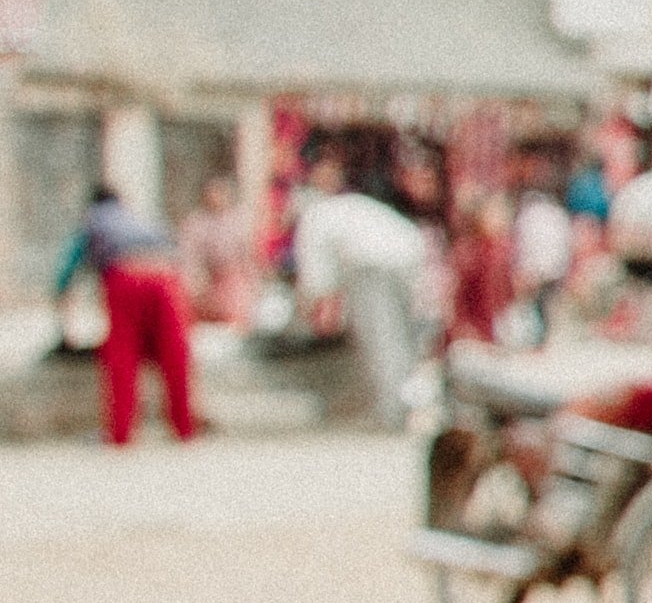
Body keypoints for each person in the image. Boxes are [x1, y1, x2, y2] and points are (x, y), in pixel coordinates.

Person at [293, 156, 430, 432]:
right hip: (408, 257)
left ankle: (391, 412)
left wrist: (310, 309)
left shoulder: (314, 215)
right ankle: (401, 405)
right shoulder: (348, 206)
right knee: (400, 339)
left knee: (381, 340)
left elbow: (315, 277)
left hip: (372, 265)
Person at [52, 186, 196, 445]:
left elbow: (68, 269)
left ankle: (120, 433)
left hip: (125, 277)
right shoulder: (137, 217)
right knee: (173, 352)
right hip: (167, 277)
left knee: (122, 353)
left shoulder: (94, 220)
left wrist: (62, 300)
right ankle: (185, 428)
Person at [176, 174, 260, 329]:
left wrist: (252, 283)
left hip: (235, 282)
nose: (216, 197)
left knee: (236, 321)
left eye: (220, 192)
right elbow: (189, 258)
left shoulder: (238, 220)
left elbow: (248, 256)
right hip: (207, 282)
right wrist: (197, 284)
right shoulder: (196, 223)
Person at [444, 193, 516, 349]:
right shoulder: (472, 253)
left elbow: (504, 295)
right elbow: (458, 297)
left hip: (492, 330)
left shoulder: (500, 252)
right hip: (473, 332)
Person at [510, 178, 574, 345]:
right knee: (544, 309)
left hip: (538, 271)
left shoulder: (529, 216)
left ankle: (539, 340)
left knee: (538, 308)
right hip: (553, 271)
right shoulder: (557, 214)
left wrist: (526, 270)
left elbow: (523, 245)